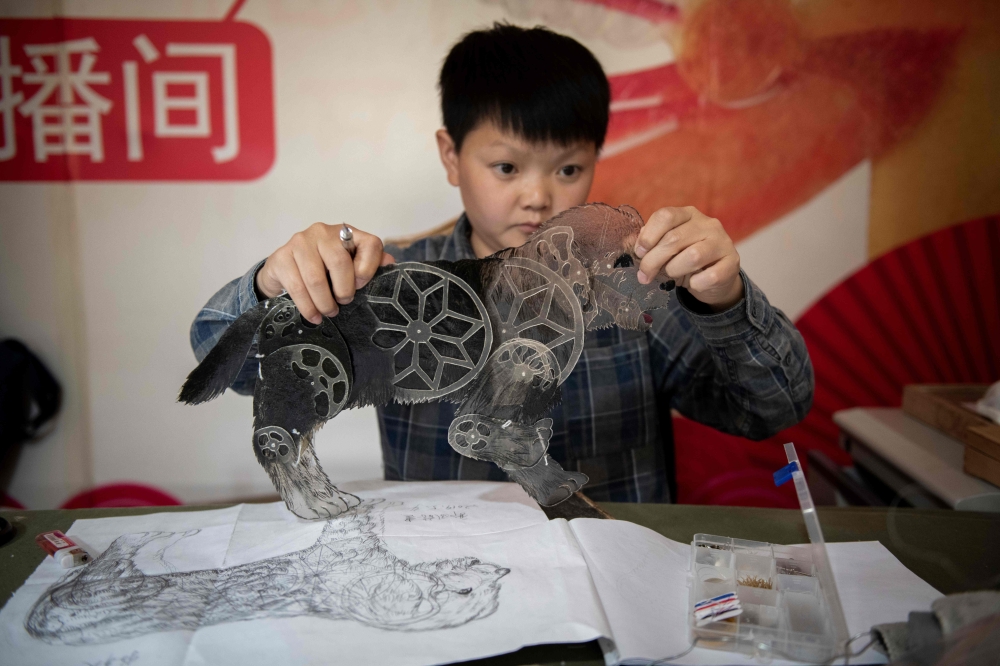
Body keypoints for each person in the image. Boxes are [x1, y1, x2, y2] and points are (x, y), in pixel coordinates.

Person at [190, 24, 813, 503]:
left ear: (596, 158)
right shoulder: (392, 283)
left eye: (568, 168)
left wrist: (724, 298)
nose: (538, 196)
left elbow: (773, 410)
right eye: (507, 167)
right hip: (444, 574)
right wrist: (269, 284)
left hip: (610, 577)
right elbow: (228, 362)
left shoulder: (636, 284)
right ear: (451, 156)